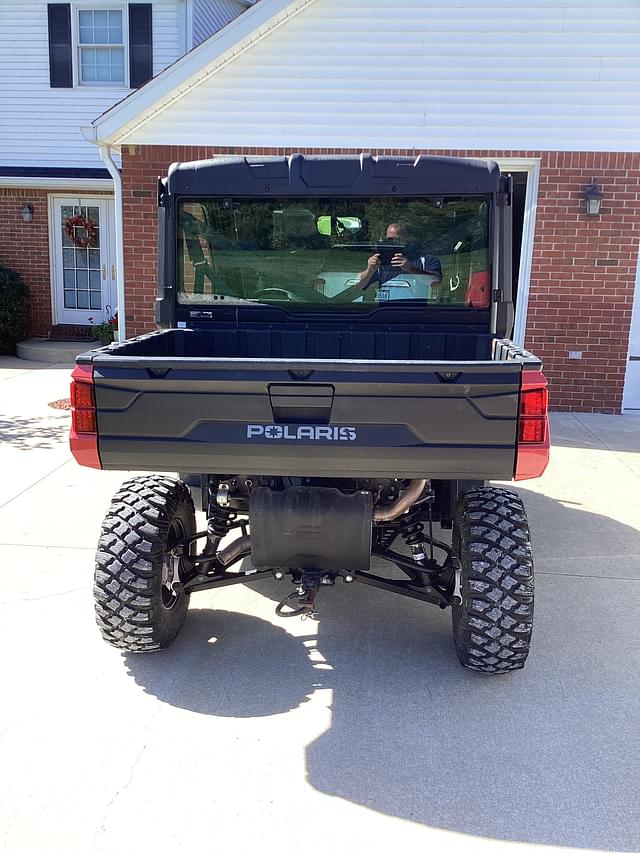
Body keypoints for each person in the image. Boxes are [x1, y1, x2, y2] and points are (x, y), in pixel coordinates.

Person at [356, 223, 442, 291]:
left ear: (408, 239)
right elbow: (358, 286)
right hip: (383, 311)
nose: (392, 243)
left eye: (396, 240)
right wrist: (369, 270)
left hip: (415, 311)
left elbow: (436, 282)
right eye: (389, 239)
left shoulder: (425, 260)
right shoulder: (382, 261)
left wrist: (410, 269)